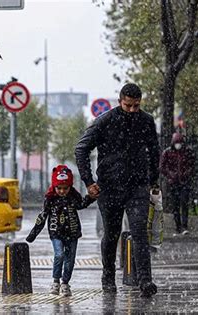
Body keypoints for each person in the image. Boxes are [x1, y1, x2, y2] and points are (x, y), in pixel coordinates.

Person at [75, 83, 160, 298]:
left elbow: (154, 150)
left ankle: (145, 280)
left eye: (136, 106)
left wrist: (153, 180)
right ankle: (108, 276)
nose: (132, 110)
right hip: (110, 187)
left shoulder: (146, 121)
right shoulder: (105, 121)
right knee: (111, 235)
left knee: (140, 231)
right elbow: (81, 148)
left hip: (137, 186)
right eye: (128, 105)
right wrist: (89, 181)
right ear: (120, 100)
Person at [26, 165, 95, 297]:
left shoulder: (73, 197)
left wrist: (90, 197)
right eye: (59, 188)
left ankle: (65, 283)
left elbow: (81, 205)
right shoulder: (50, 199)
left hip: (72, 233)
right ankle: (55, 281)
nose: (62, 191)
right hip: (56, 233)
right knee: (59, 255)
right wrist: (33, 234)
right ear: (54, 186)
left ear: (70, 187)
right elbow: (42, 216)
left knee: (70, 259)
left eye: (65, 188)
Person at [160, 132, 195, 236]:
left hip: (184, 182)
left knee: (184, 203)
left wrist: (186, 173)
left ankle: (184, 226)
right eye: (176, 143)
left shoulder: (187, 152)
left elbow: (192, 165)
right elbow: (162, 167)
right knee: (175, 205)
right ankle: (178, 226)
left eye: (180, 143)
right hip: (173, 182)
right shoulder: (167, 152)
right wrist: (170, 175)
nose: (178, 145)